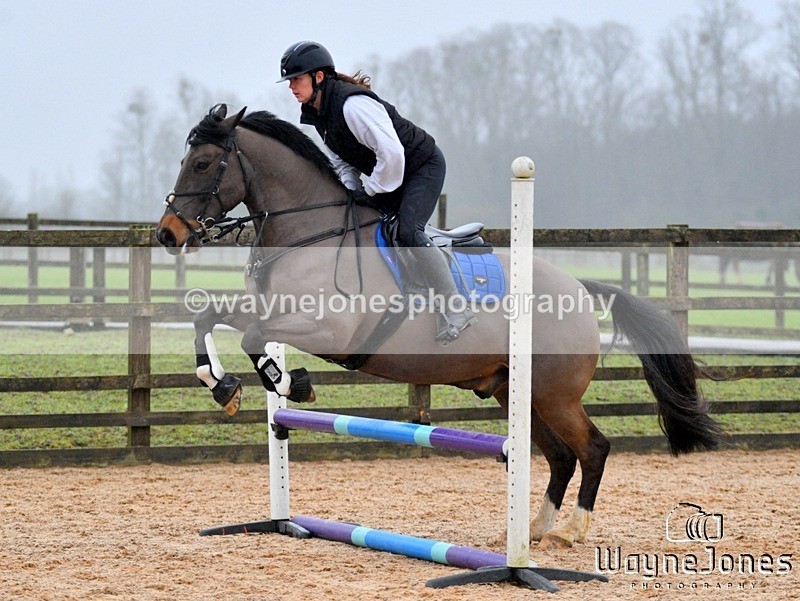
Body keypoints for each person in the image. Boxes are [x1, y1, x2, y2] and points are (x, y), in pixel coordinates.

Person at [277, 40, 476, 343]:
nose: (291, 86)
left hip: (422, 167)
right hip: (390, 174)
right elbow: (342, 164)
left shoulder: (352, 105)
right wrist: (352, 194)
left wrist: (370, 190)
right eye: (289, 80)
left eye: (296, 78)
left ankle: (455, 306)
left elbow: (393, 154)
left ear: (319, 78)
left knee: (408, 231)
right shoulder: (319, 113)